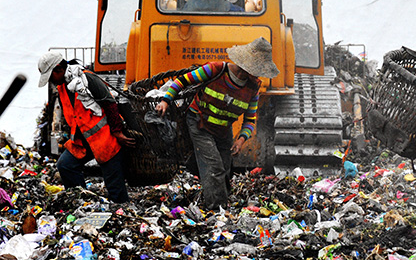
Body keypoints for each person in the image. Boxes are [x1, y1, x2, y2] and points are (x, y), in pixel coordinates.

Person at [155, 37, 278, 210]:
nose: (259, 74)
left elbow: (250, 120)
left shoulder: (253, 87)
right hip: (199, 123)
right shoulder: (216, 70)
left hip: (223, 129)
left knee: (225, 167)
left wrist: (240, 140)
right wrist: (166, 100)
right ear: (246, 67)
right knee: (214, 167)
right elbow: (182, 81)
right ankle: (216, 210)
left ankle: (223, 201)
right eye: (258, 70)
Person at [37, 53, 135, 203]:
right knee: (65, 165)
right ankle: (80, 201)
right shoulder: (62, 87)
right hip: (83, 140)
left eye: (51, 76)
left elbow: (110, 103)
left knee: (115, 187)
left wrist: (117, 132)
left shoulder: (87, 79)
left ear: (59, 69)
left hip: (105, 138)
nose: (51, 80)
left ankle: (121, 208)